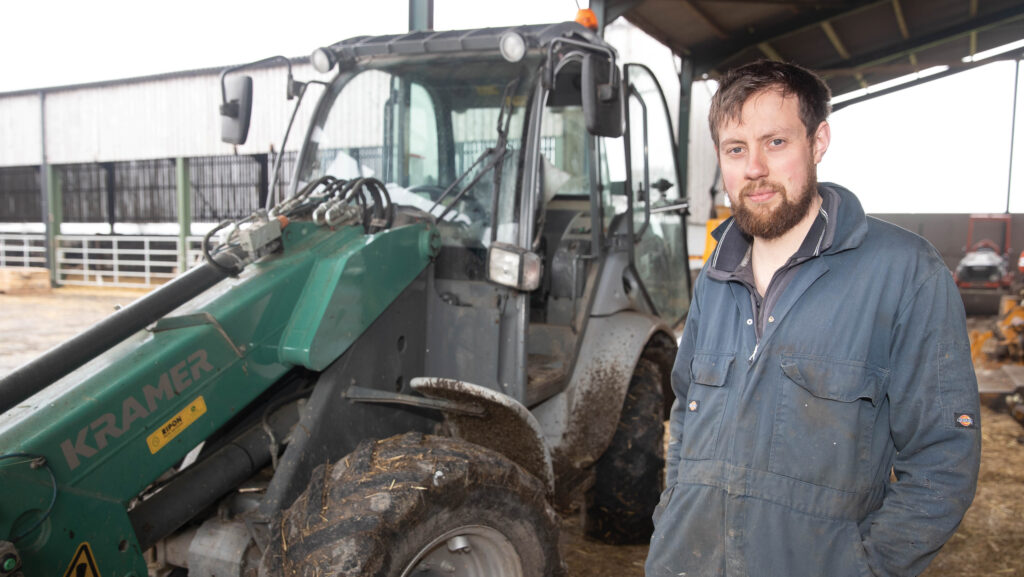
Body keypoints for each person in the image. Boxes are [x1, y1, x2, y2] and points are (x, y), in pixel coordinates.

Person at [645, 60, 981, 577]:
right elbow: (688, 416)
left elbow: (943, 457)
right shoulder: (715, 274)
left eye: (775, 143)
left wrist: (868, 567)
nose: (754, 167)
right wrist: (671, 516)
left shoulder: (903, 272)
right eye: (736, 149)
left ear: (818, 141)